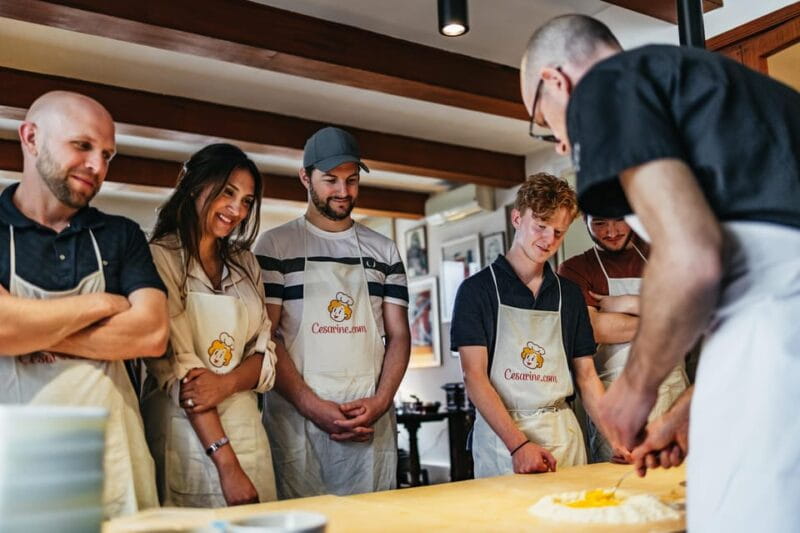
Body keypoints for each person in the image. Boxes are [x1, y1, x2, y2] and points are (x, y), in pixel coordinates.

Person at [521, 14, 800, 531]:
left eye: (544, 121)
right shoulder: (730, 90)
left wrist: (635, 388)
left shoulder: (607, 84)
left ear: (555, 82)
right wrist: (689, 413)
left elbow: (693, 257)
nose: (559, 143)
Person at [0, 91, 168, 518]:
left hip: (115, 462)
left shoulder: (122, 234)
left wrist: (30, 332)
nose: (98, 166)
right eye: (83, 146)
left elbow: (150, 334)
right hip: (17, 467)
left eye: (108, 154)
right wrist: (102, 304)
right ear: (31, 137)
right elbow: (3, 328)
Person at [254, 126, 410, 498]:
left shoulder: (383, 250)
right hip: (297, 423)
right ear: (305, 177)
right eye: (331, 180)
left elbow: (399, 335)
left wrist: (380, 401)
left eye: (352, 180)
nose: (343, 192)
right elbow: (269, 338)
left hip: (369, 420)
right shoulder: (276, 245)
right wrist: (313, 407)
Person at [451, 173, 618, 477]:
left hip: (562, 436)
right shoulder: (477, 291)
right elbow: (474, 377)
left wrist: (617, 440)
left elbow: (587, 377)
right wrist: (518, 446)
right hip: (503, 440)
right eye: (541, 226)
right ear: (517, 218)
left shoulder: (568, 294)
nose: (549, 240)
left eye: (558, 232)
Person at [141, 143, 278, 507]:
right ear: (194, 185)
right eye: (228, 193)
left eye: (247, 200)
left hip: (248, 431)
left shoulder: (246, 264)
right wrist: (227, 465)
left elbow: (266, 353)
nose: (237, 210)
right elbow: (181, 370)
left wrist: (227, 382)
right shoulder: (157, 257)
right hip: (188, 436)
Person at [558, 215, 687, 462]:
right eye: (599, 223)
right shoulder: (576, 269)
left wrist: (623, 304)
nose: (611, 231)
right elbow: (596, 329)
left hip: (674, 392)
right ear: (584, 220)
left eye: (619, 220)